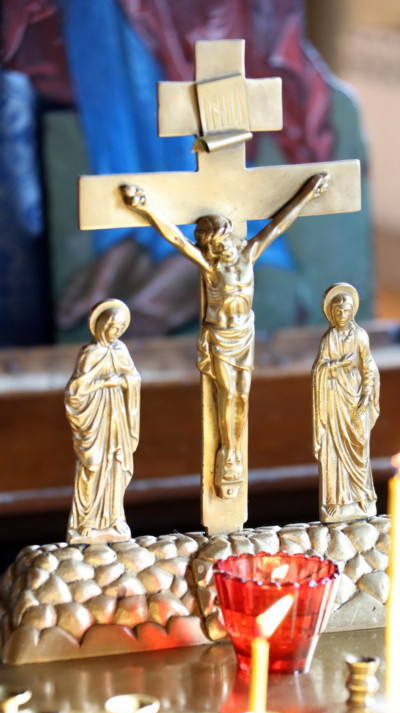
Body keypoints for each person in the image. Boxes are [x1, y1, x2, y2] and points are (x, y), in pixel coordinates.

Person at [119, 173, 329, 496]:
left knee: (242, 395)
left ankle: (234, 449)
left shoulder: (249, 256)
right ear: (211, 250)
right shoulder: (211, 270)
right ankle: (229, 453)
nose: (224, 248)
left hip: (244, 335)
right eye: (216, 246)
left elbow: (277, 226)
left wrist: (308, 194)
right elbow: (176, 240)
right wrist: (145, 208)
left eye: (226, 241)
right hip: (221, 338)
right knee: (227, 394)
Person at [65, 299, 140, 543]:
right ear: (101, 325)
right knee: (93, 465)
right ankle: (85, 521)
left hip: (116, 417)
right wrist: (104, 383)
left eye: (120, 329)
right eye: (112, 327)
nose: (115, 333)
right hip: (95, 418)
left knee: (116, 465)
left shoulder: (120, 351)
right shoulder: (90, 353)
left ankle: (114, 518)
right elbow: (75, 390)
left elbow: (134, 378)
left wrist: (124, 382)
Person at [312, 283, 380, 523]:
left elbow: (368, 367)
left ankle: (362, 497)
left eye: (346, 311)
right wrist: (338, 365)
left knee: (360, 449)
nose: (342, 315)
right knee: (334, 449)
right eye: (338, 311)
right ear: (331, 313)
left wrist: (366, 396)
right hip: (334, 401)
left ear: (352, 312)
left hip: (355, 399)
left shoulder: (360, 336)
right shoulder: (329, 338)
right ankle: (335, 500)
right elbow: (319, 369)